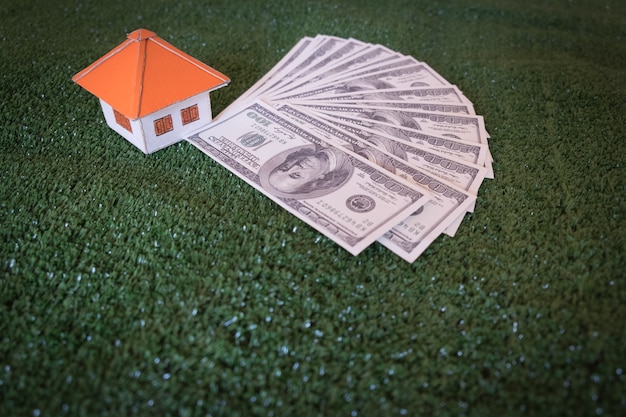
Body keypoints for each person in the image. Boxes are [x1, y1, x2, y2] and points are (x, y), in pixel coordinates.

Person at [264, 145, 353, 198]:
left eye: (285, 167)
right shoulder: (346, 166)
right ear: (316, 181)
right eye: (296, 174)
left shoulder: (314, 145)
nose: (295, 166)